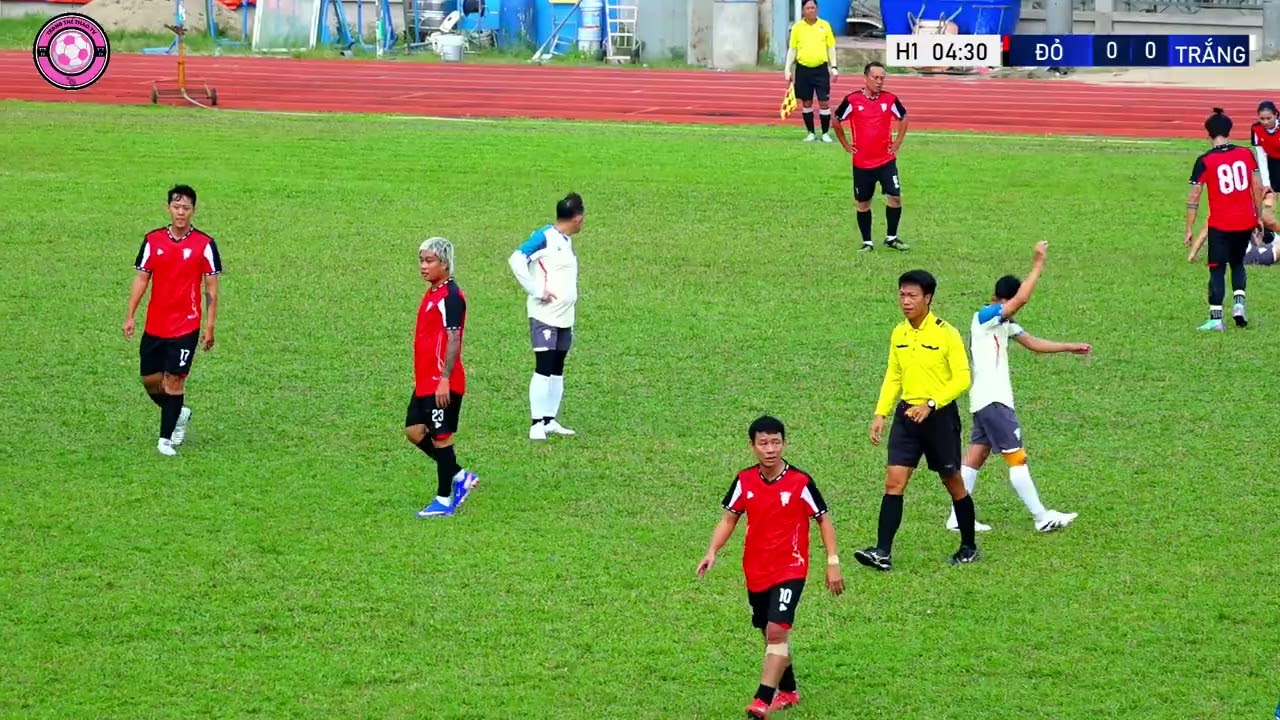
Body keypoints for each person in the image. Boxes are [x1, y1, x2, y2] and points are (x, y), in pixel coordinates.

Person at [696, 415, 844, 718]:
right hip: (756, 569)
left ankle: (762, 700)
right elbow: (729, 518)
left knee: (777, 631)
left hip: (791, 567)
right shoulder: (744, 480)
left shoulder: (800, 482)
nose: (770, 449)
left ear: (784, 443)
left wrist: (833, 562)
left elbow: (823, 519)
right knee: (769, 634)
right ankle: (788, 691)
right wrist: (712, 551)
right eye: (763, 443)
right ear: (752, 446)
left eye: (776, 442)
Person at [945, 241, 1087, 535]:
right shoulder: (985, 316)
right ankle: (1041, 517)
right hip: (994, 402)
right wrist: (1037, 264)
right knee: (1016, 457)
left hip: (984, 401)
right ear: (1002, 300)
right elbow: (1021, 300)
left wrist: (1068, 346)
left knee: (975, 457)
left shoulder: (1003, 323)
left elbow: (1033, 343)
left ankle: (957, 517)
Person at [854, 270, 978, 571]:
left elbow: (963, 378)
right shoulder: (899, 333)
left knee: (954, 483)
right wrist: (880, 413)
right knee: (894, 482)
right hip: (907, 417)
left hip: (939, 419)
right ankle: (882, 552)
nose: (906, 301)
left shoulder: (946, 333)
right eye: (902, 295)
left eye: (912, 296)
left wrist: (932, 404)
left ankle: (969, 546)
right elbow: (893, 376)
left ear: (928, 298)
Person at [123, 184, 221, 457]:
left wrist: (210, 326)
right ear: (168, 208)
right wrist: (130, 315)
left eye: (186, 208)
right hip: (155, 324)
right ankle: (180, 412)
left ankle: (165, 439)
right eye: (177, 207)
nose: (181, 212)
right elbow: (142, 278)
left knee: (175, 381)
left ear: (193, 210)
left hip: (186, 325)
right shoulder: (153, 240)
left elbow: (211, 289)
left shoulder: (205, 244)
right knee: (151, 382)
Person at [406, 237, 479, 519]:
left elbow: (453, 338)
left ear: (445, 263)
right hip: (425, 380)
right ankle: (459, 475)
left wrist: (445, 378)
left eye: (429, 261)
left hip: (441, 381)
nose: (423, 266)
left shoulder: (451, 297)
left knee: (441, 438)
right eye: (421, 260)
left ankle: (444, 500)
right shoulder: (432, 292)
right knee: (414, 431)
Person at [508, 193, 584, 441]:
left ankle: (550, 419)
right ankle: (536, 423)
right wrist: (536, 290)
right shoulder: (544, 237)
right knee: (543, 367)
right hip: (545, 316)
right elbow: (516, 259)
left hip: (565, 317)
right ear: (577, 218)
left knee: (557, 368)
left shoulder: (564, 240)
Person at [1184, 108, 1264, 331]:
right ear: (1229, 130)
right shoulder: (1246, 154)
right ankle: (1239, 305)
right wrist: (1257, 216)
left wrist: (1189, 227)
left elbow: (1194, 196)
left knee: (1217, 269)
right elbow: (1257, 186)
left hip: (1221, 224)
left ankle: (1216, 319)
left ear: (1208, 134)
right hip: (1245, 220)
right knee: (1238, 263)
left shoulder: (1205, 161)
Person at [833, 61, 910, 253]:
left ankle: (891, 238)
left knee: (895, 196)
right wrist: (845, 144)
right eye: (875, 78)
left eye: (882, 78)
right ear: (865, 78)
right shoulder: (852, 100)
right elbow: (836, 120)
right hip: (862, 163)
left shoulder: (890, 100)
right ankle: (867, 242)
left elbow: (904, 117)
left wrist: (898, 142)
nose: (879, 82)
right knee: (863, 203)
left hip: (886, 161)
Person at [784, 0, 838, 143]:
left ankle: (825, 133)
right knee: (806, 103)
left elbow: (831, 47)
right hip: (803, 70)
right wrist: (787, 68)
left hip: (821, 69)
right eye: (808, 8)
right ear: (803, 10)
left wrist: (834, 67)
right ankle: (811, 133)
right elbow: (792, 49)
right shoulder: (797, 28)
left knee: (824, 102)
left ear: (817, 9)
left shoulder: (825, 25)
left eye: (813, 7)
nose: (811, 10)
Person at [1251, 100, 1279, 243]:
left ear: (1276, 115)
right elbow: (1261, 156)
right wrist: (1266, 183)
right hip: (1270, 164)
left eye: (1269, 118)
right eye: (1262, 118)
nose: (1266, 121)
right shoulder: (1256, 129)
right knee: (1267, 200)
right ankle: (1269, 237)